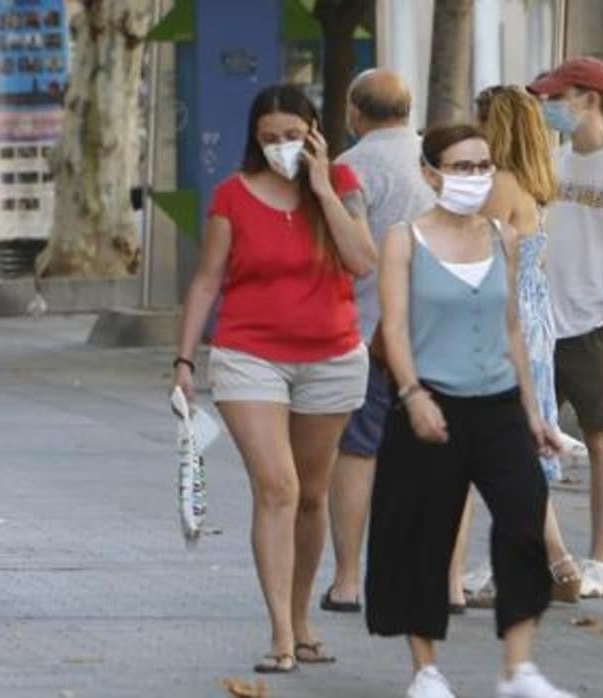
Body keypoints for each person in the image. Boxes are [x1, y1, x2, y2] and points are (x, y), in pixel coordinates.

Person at [173, 84, 376, 673]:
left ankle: (302, 619)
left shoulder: (342, 186)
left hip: (331, 357)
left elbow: (362, 261)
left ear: (315, 134)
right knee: (277, 487)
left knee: (311, 495)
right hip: (249, 355)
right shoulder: (232, 195)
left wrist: (322, 186)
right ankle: (281, 634)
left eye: (292, 136)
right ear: (253, 140)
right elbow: (207, 279)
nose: (281, 146)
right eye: (269, 138)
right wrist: (183, 360)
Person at [366, 123, 571, 698]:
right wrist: (412, 394)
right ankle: (425, 670)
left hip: (498, 403)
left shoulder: (503, 237)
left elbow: (512, 329)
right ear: (431, 174)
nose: (475, 177)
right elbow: (394, 328)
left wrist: (534, 413)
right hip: (431, 402)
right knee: (422, 534)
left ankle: (518, 668)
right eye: (461, 167)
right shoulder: (404, 239)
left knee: (524, 518)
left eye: (483, 166)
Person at [446, 85, 582, 609]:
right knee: (518, 445)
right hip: (534, 316)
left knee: (503, 448)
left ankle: (536, 566)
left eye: (480, 119)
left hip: (504, 320)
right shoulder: (534, 182)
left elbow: (471, 251)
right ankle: (557, 561)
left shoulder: (500, 184)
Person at [321, 69, 435, 615]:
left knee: (357, 451)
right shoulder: (437, 163)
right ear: (407, 109)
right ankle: (440, 579)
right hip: (435, 331)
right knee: (434, 455)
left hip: (366, 330)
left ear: (353, 111)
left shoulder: (351, 168)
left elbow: (344, 253)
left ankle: (347, 580)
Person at [530, 56, 603, 597]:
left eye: (557, 97)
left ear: (590, 99)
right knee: (528, 440)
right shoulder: (555, 161)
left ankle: (601, 559)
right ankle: (542, 555)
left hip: (592, 324)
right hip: (545, 323)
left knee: (600, 437)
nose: (548, 107)